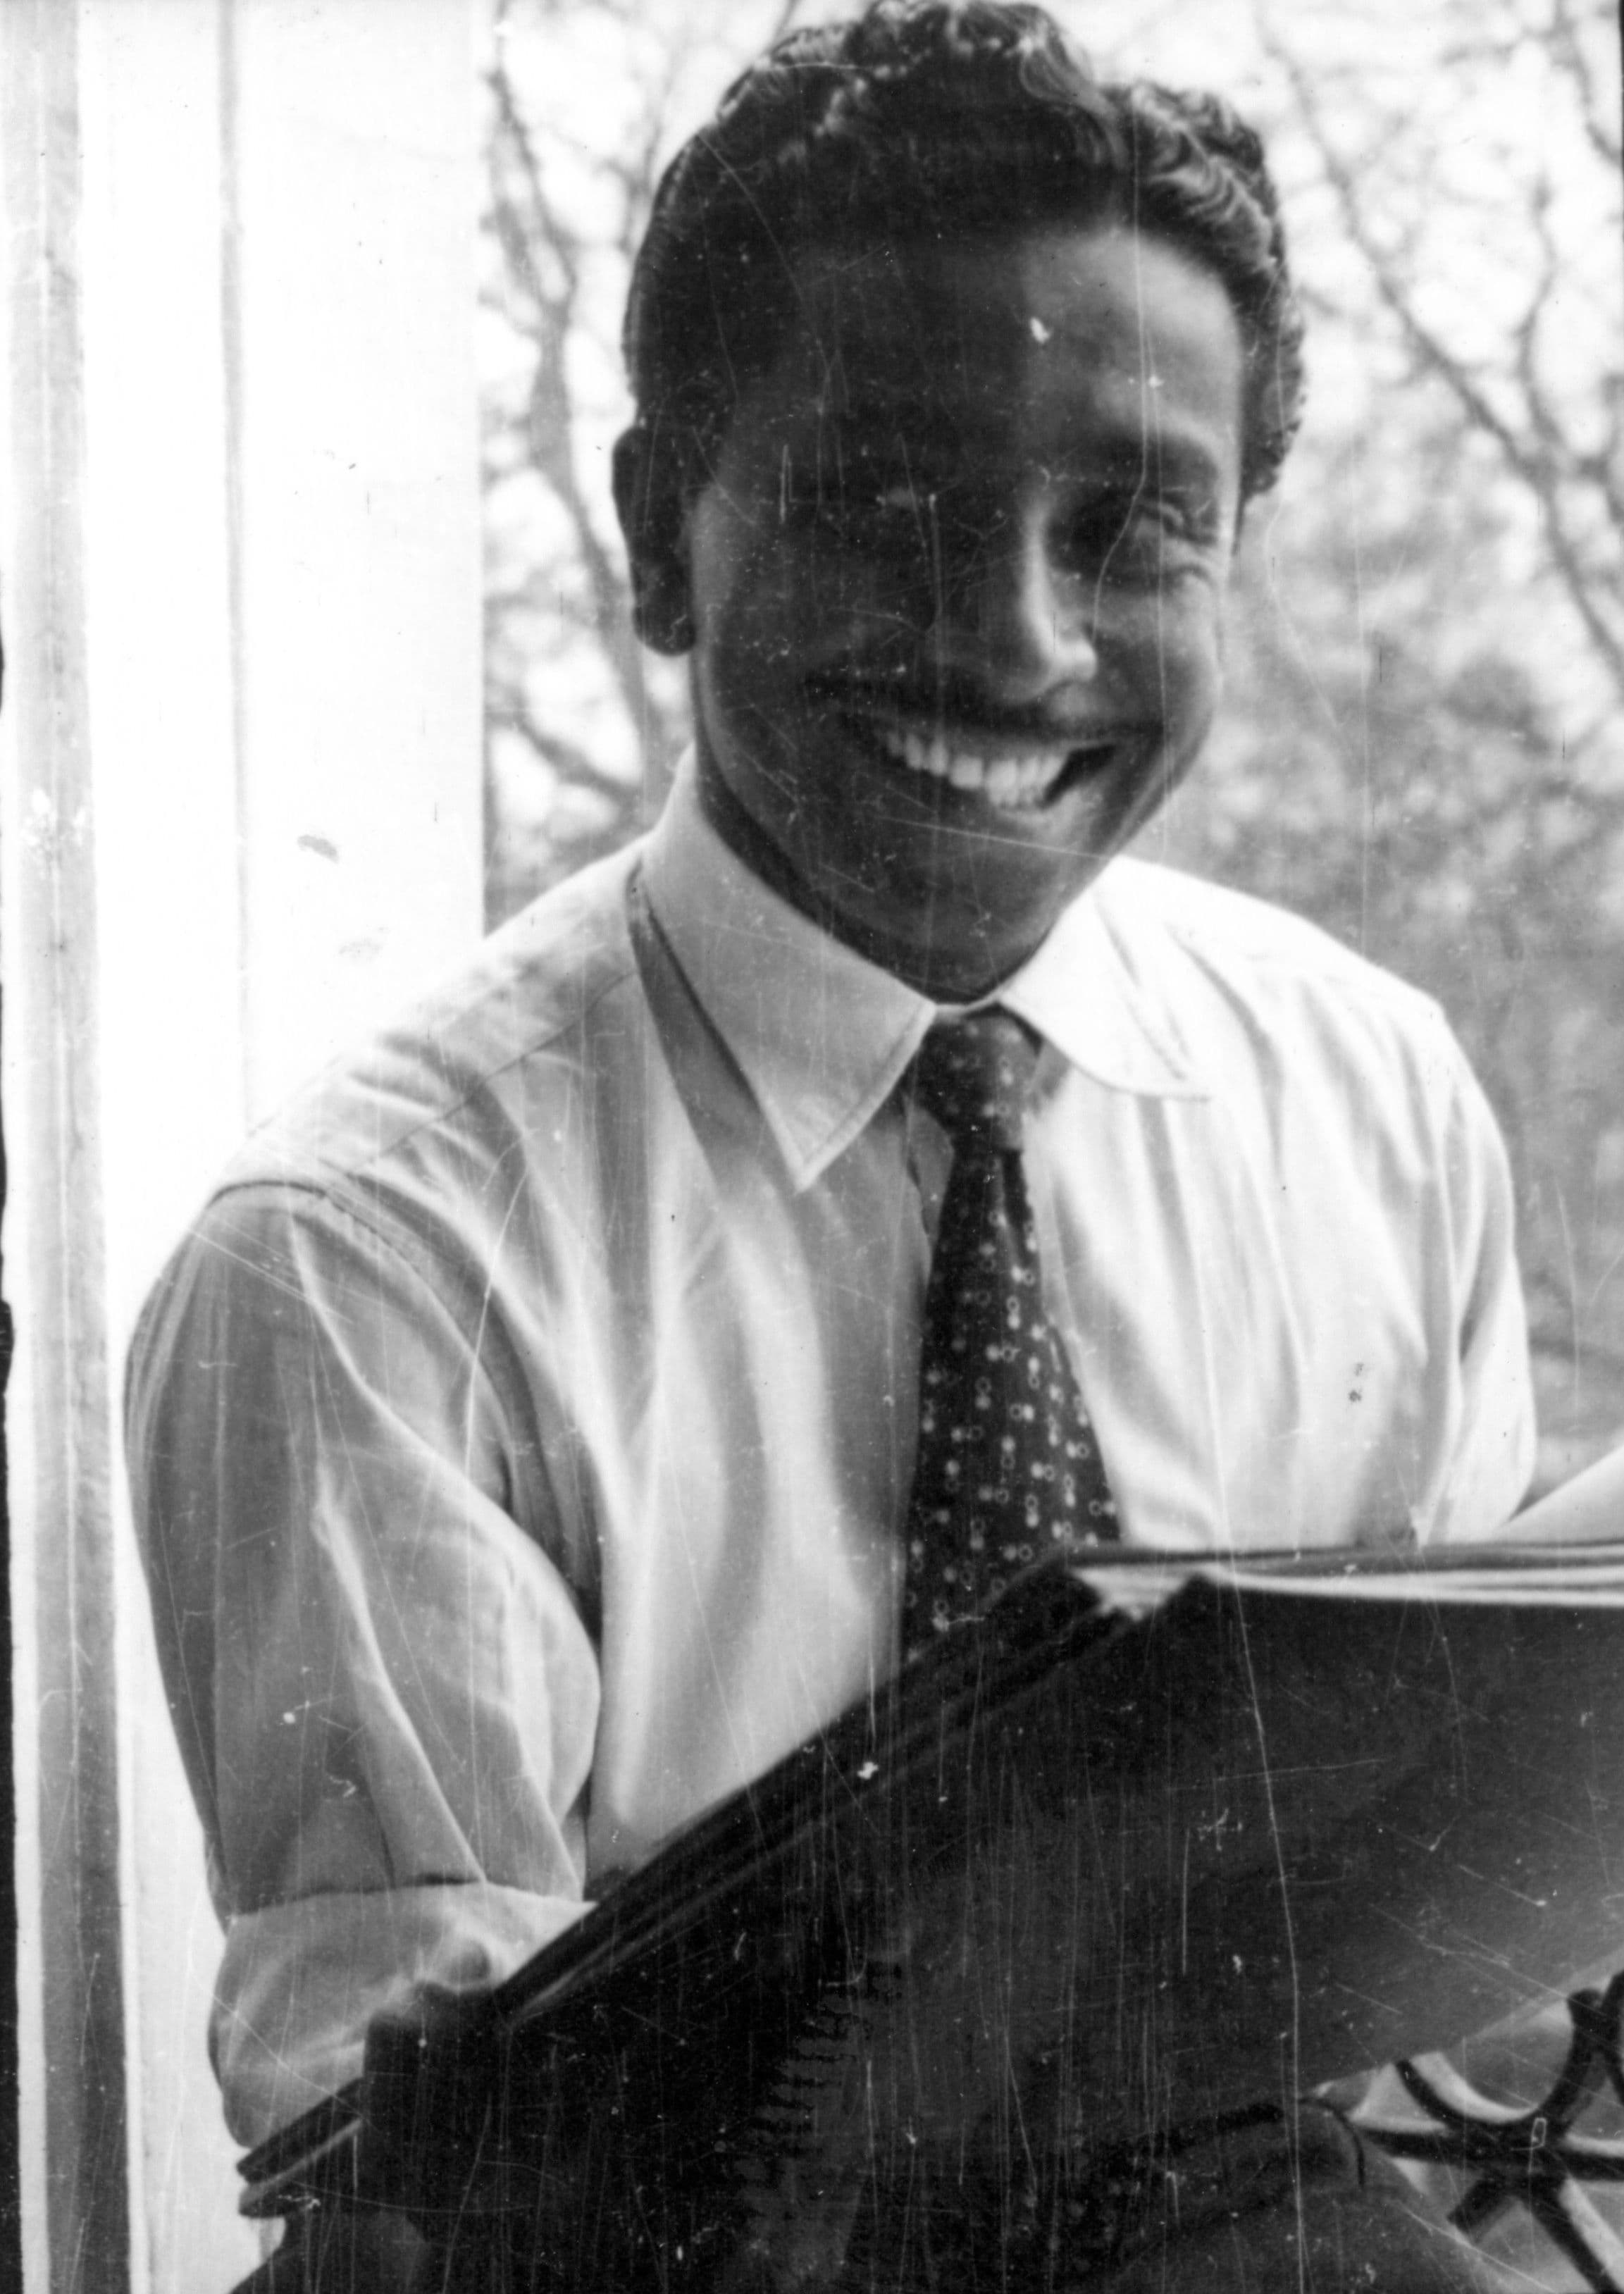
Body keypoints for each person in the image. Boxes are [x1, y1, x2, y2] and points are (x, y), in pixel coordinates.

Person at [127, 3, 1535, 2284]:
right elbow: (447, 2205)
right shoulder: (369, 1260)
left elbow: (1458, 1975)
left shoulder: (1366, 1099)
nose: (1018, 642)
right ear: (656, 542)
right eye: (883, 503)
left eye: (1134, 528)